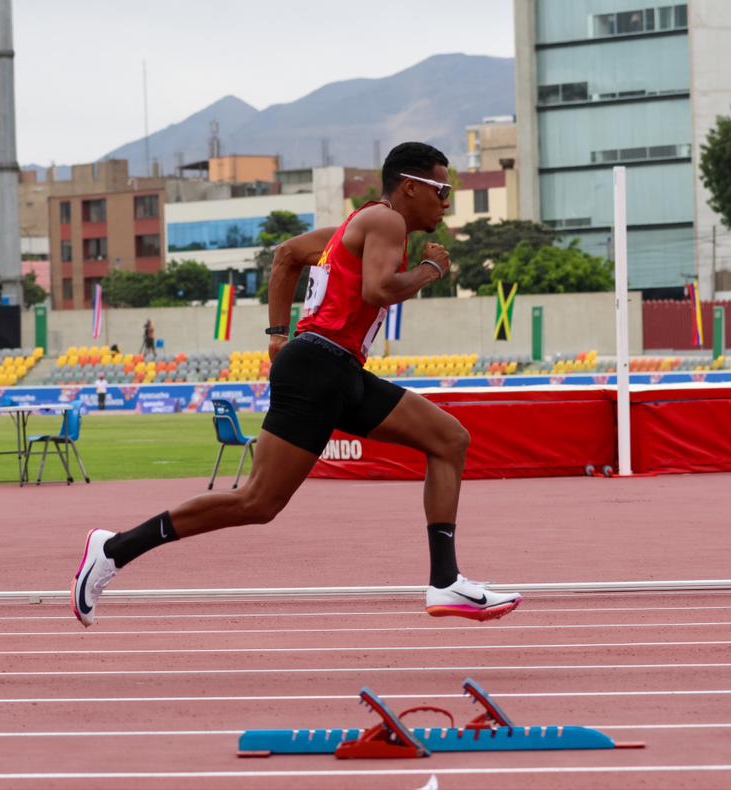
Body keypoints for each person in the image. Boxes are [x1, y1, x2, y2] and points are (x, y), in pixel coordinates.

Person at [71, 143, 521, 627]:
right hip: (319, 367)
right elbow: (378, 289)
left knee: (449, 439)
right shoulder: (387, 221)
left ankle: (446, 582)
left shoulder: (351, 231)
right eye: (442, 190)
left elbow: (286, 256)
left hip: (336, 369)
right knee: (257, 501)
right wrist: (432, 270)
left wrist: (277, 337)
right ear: (411, 186)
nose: (447, 202)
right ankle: (114, 549)